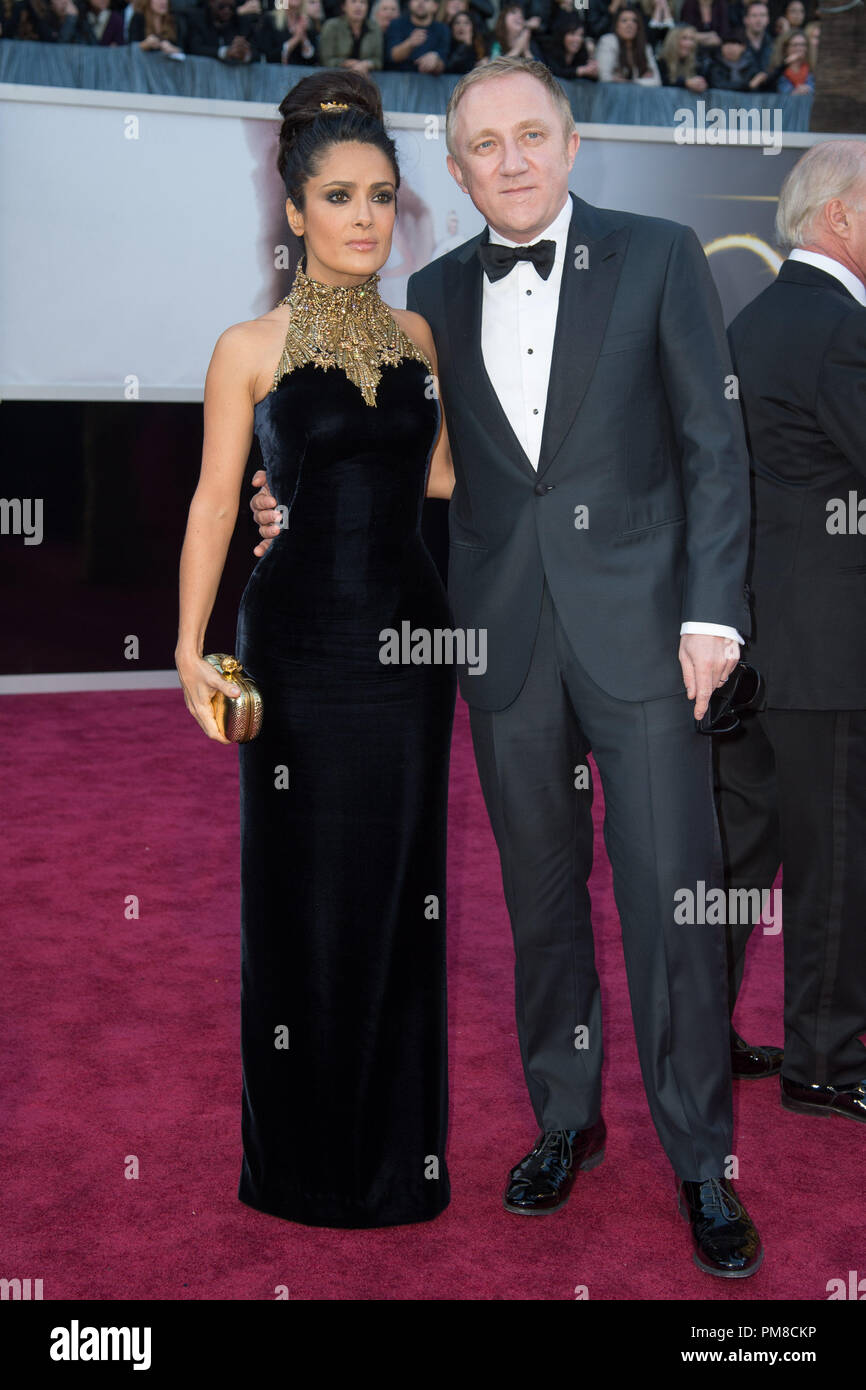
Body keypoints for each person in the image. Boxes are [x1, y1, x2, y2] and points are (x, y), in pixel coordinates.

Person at [252, 55, 764, 1277]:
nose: (511, 162)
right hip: (499, 642)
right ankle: (563, 1117)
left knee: (669, 909)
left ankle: (701, 1160)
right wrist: (292, 506)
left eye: (531, 136)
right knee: (539, 911)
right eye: (484, 146)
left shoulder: (656, 255)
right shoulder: (426, 293)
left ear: (572, 144)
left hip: (646, 638)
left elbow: (711, 445)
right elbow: (400, 459)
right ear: (456, 165)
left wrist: (712, 615)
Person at [176, 70, 458, 1227]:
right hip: (293, 653)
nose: (362, 218)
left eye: (381, 197)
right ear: (292, 212)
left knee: (401, 895)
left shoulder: (418, 333)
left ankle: (396, 1165)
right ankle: (297, 1164)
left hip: (408, 652)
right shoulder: (247, 345)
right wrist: (189, 649)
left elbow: (437, 476)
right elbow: (208, 504)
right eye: (337, 197)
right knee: (296, 898)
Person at [716, 140, 866, 1125]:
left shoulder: (755, 317)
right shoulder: (836, 329)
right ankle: (824, 1059)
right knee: (838, 860)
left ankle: (691, 1029)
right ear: (842, 218)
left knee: (736, 858)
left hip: (750, 639)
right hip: (830, 647)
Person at [595, 6, 661, 82]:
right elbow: (604, 77)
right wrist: (642, 81)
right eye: (624, 20)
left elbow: (657, 81)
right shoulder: (608, 41)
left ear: (638, 27)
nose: (630, 24)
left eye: (634, 21)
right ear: (616, 26)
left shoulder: (645, 47)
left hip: (638, 93)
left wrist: (631, 82)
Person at [384, 0, 450, 72]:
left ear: (435, 6)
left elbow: (444, 63)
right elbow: (393, 56)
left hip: (430, 79)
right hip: (397, 78)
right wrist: (410, 43)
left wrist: (436, 61)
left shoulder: (443, 29)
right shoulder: (396, 24)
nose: (421, 2)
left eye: (426, 0)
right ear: (409, 3)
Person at [317, 0, 383, 72]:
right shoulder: (331, 26)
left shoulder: (374, 27)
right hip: (335, 76)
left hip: (365, 76)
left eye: (363, 2)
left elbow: (378, 61)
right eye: (353, 1)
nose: (358, 6)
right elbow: (325, 60)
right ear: (343, 6)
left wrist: (367, 64)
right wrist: (346, 63)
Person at [657, 23, 708, 91]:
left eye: (692, 39)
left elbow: (701, 100)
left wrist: (702, 87)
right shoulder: (661, 62)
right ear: (673, 40)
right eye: (684, 38)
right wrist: (686, 83)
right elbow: (662, 84)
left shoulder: (696, 64)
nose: (689, 43)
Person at [772, 28, 813, 92]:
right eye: (795, 45)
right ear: (785, 48)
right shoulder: (778, 71)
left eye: (803, 45)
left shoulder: (812, 69)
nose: (799, 48)